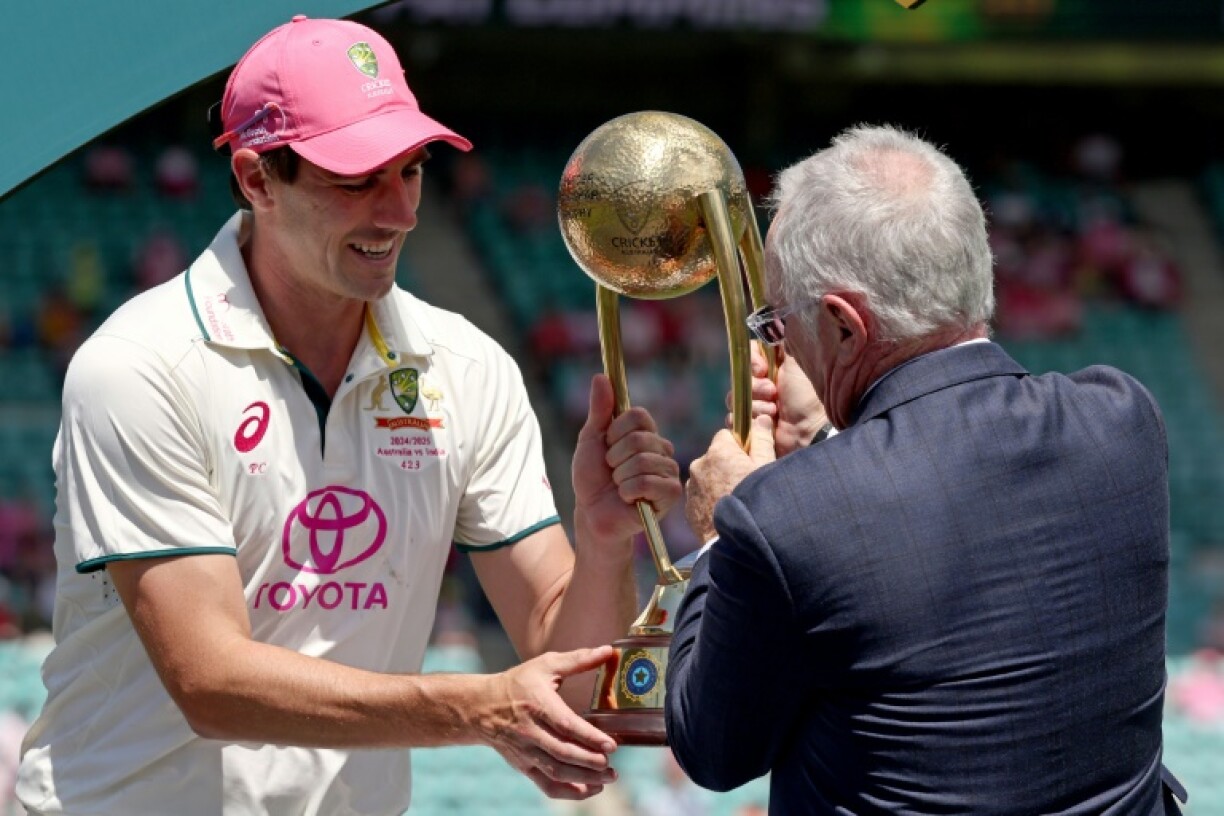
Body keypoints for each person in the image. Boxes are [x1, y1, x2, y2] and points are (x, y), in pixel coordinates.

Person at [17, 16, 681, 816]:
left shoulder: (468, 368)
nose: (398, 211)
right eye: (356, 177)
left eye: (411, 169)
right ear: (258, 179)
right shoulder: (139, 365)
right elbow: (212, 682)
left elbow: (570, 673)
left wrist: (605, 542)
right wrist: (477, 708)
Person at [665, 125, 1187, 814]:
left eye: (776, 322)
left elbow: (713, 748)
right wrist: (826, 439)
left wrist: (717, 532)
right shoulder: (1121, 423)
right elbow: (942, 526)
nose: (778, 345)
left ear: (846, 325)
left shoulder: (779, 516)